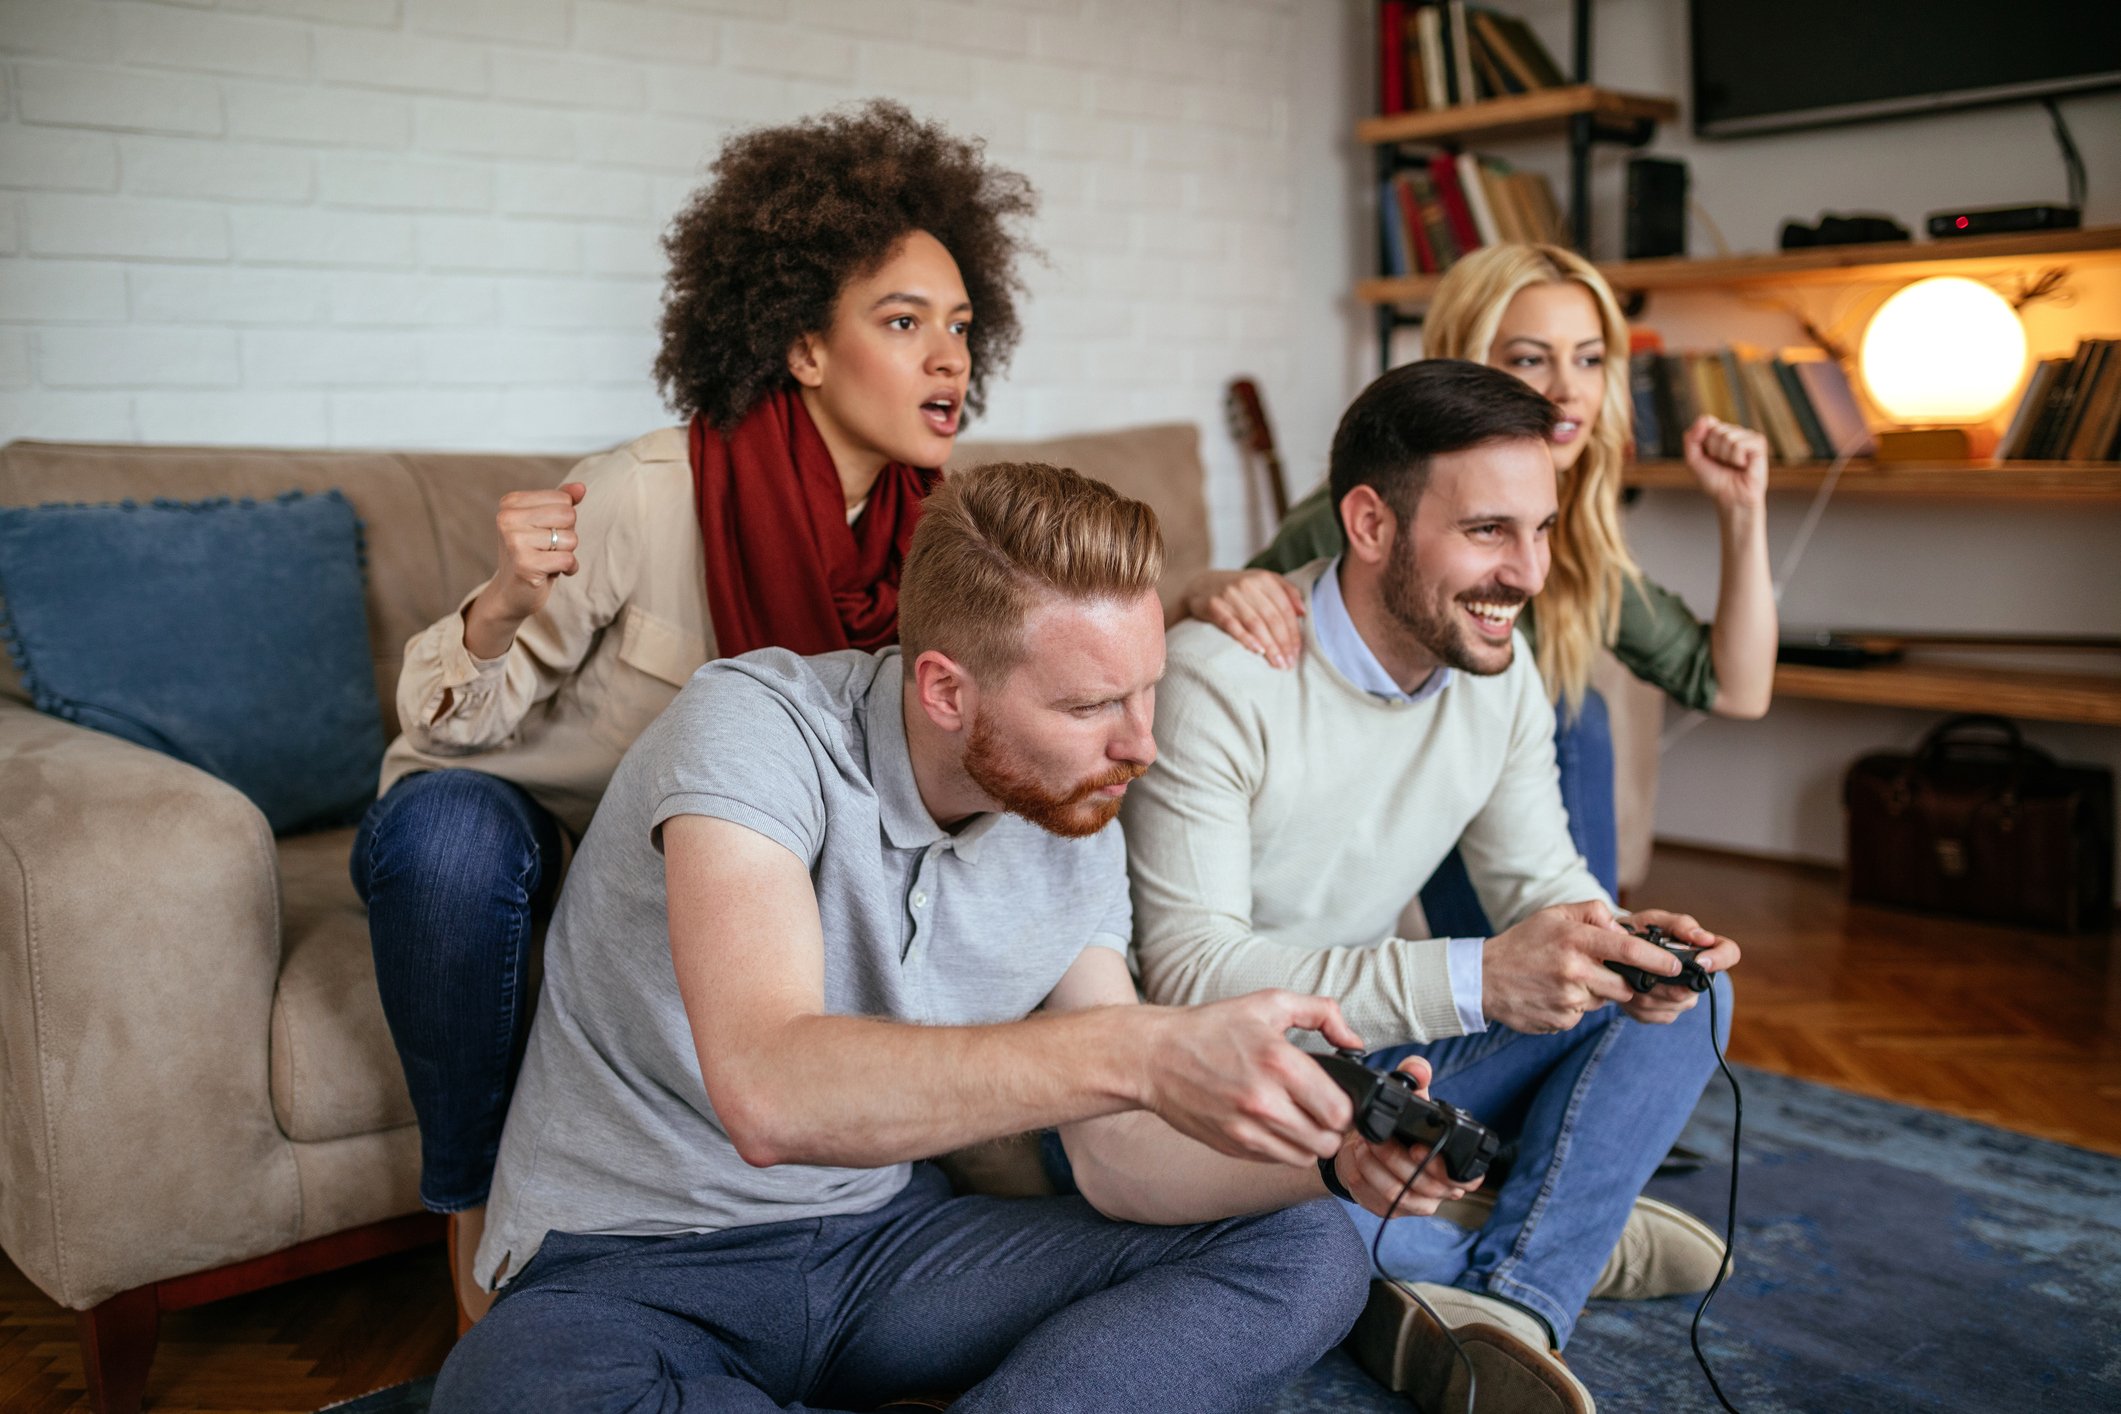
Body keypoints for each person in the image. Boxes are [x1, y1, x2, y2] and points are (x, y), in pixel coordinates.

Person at [433, 463, 1461, 1413]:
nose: (1140, 744)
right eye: (1094, 703)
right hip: (632, 1265)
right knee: (512, 1390)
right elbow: (768, 1089)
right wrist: (1145, 1052)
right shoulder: (752, 729)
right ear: (943, 689)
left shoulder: (1075, 809)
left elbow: (1117, 1160)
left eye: (1146, 690)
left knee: (1311, 1247)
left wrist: (1328, 1159)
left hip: (887, 1250)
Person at [349, 101, 1037, 1319]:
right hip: (542, 830)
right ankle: (471, 1223)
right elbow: (454, 724)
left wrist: (1209, 595)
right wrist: (506, 597)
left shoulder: (946, 536)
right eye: (902, 321)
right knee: (446, 836)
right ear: (804, 347)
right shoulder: (645, 491)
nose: (949, 357)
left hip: (719, 859)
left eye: (959, 326)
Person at [1125, 360, 1743, 1414]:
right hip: (1222, 1089)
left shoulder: (1494, 678)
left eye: (1542, 531)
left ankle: (1511, 1290)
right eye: (1489, 532)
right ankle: (1555, 1231)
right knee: (1268, 1235)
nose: (1529, 572)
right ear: (1370, 523)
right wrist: (1478, 976)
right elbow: (1190, 974)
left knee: (1695, 996)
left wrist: (1619, 942)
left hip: (1381, 1069)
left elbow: (1541, 880)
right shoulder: (1218, 681)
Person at [1183, 242, 1775, 938]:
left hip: (1494, 810)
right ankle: (1551, 981)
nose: (1567, 389)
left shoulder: (1577, 536)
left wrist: (1742, 512)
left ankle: (1590, 960)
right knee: (1573, 714)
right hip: (1394, 798)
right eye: (1529, 359)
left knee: (1567, 719)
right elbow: (1251, 618)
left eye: (1588, 359)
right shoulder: (1366, 521)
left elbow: (1735, 689)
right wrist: (1201, 587)